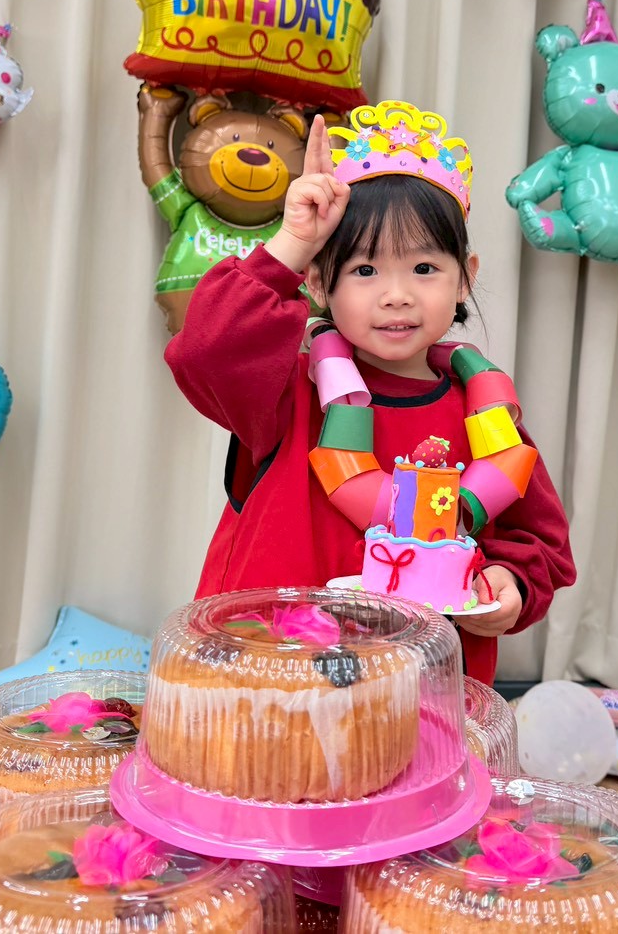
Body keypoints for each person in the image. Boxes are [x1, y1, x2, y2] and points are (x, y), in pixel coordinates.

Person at [165, 100, 575, 684]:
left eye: (425, 269)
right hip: (269, 688)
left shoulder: (485, 411)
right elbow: (204, 348)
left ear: (466, 277)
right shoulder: (286, 392)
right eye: (365, 270)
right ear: (317, 281)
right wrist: (294, 240)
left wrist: (511, 584)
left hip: (417, 701)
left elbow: (538, 542)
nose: (396, 295)